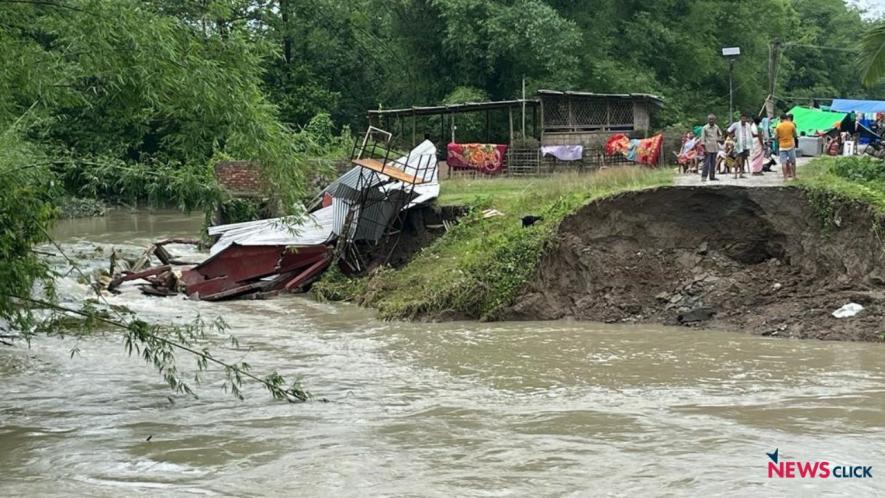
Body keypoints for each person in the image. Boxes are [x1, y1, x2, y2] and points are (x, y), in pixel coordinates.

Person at [727, 112, 753, 179]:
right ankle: (735, 174)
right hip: (738, 144)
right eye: (742, 119)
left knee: (743, 159)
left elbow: (750, 133)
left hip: (746, 145)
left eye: (745, 119)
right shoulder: (736, 124)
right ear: (740, 119)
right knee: (737, 159)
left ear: (746, 119)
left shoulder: (748, 125)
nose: (744, 120)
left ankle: (741, 173)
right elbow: (728, 131)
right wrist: (732, 138)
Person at [775, 113, 798, 180]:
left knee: (783, 163)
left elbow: (776, 137)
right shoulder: (791, 125)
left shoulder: (778, 126)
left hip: (782, 146)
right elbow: (795, 135)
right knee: (793, 162)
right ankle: (794, 177)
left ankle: (785, 178)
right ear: (786, 118)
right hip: (790, 145)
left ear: (781, 119)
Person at [700, 114, 722, 181]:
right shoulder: (705, 128)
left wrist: (718, 139)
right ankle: (704, 177)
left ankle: (712, 177)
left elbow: (720, 134)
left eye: (713, 119)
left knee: (713, 163)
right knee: (706, 163)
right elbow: (702, 139)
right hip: (707, 148)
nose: (711, 120)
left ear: (715, 120)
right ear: (708, 120)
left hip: (715, 147)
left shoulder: (716, 127)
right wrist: (704, 149)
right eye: (710, 119)